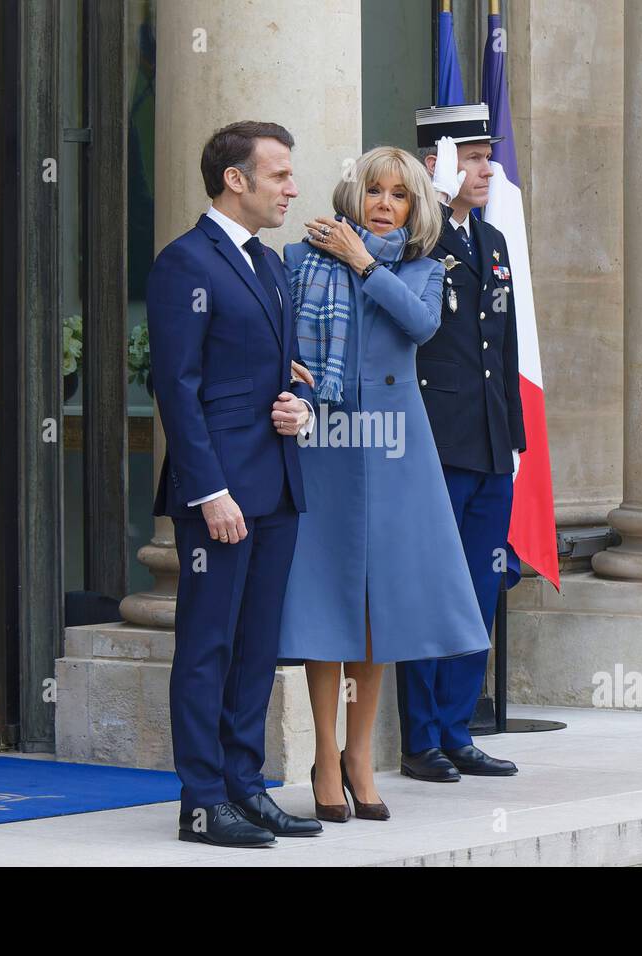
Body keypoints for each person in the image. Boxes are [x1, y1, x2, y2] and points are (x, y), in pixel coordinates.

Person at [277, 147, 491, 822]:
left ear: (414, 207)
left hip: (396, 451)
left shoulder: (424, 271)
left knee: (378, 614)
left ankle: (361, 756)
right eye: (374, 190)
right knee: (324, 605)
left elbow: (422, 326)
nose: (384, 203)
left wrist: (363, 262)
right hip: (326, 443)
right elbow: (275, 333)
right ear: (354, 193)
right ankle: (324, 755)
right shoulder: (299, 260)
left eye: (399, 195)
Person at [147, 120, 322, 847]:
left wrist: (301, 408)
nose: (292, 187)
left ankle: (245, 787)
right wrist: (208, 491)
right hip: (219, 493)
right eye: (279, 174)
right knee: (208, 645)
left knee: (257, 647)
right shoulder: (185, 262)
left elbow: (284, 372)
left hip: (277, 485)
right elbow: (176, 387)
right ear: (235, 181)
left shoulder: (272, 265)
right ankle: (201, 799)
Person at [392, 104, 523, 783]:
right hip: (436, 449)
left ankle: (457, 726)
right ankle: (420, 738)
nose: (486, 168)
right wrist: (432, 199)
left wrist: (516, 442)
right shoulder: (419, 239)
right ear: (438, 166)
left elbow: (502, 345)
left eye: (485, 155)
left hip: (489, 445)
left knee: (476, 591)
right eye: (470, 157)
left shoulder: (494, 242)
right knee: (429, 592)